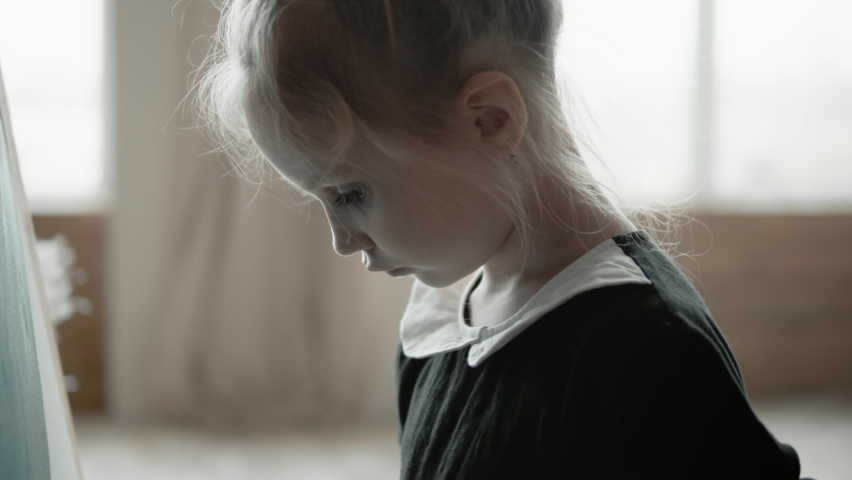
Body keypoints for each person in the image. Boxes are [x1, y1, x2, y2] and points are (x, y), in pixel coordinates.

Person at [197, 1, 806, 478]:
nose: (341, 240)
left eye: (351, 192)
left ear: (491, 119)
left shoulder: (647, 349)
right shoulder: (440, 323)